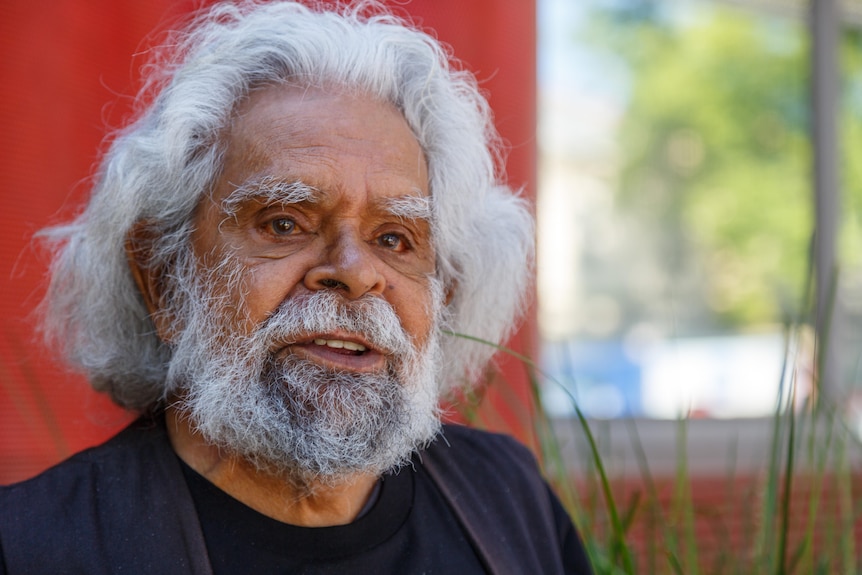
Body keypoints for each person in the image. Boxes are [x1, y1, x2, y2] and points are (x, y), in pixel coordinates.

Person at [0, 2, 592, 573]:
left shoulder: (508, 500)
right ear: (163, 280)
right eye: (284, 224)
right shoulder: (34, 547)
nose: (356, 272)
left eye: (395, 238)